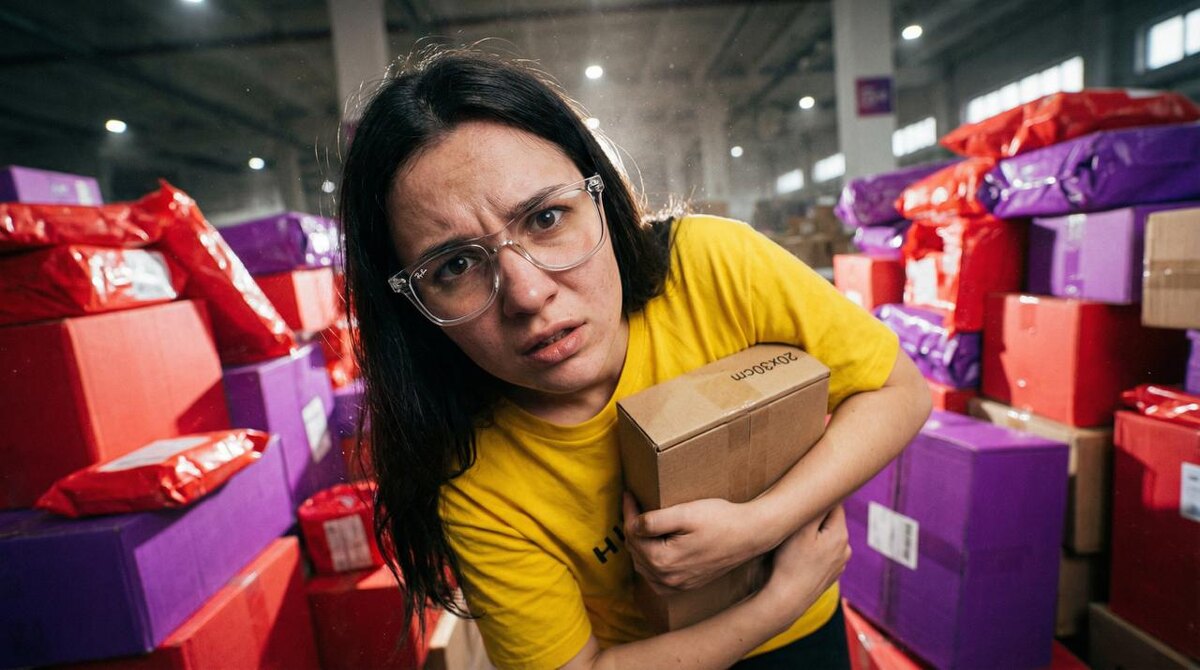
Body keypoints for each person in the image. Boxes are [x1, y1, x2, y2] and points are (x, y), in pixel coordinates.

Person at [338, 48, 932, 669]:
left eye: (546, 217)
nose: (528, 294)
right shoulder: (473, 482)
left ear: (599, 197)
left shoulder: (713, 269)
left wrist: (759, 526)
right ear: (411, 307)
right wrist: (777, 603)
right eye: (456, 265)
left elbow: (899, 391)